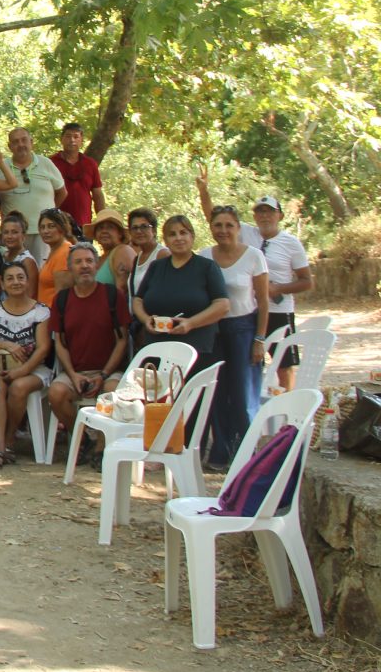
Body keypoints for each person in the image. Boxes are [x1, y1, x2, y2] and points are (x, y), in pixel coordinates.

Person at [196, 173, 312, 390]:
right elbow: (212, 217)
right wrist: (204, 191)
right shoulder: (245, 233)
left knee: (283, 363)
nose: (265, 216)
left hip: (279, 310)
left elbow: (306, 281)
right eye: (260, 212)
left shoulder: (291, 244)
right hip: (248, 312)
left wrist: (277, 288)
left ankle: (288, 412)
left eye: (270, 212)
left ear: (280, 215)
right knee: (248, 364)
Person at [201, 205, 270, 470]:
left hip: (244, 329)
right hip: (214, 331)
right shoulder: (205, 256)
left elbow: (263, 301)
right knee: (217, 393)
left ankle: (247, 456)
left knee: (243, 396)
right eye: (218, 225)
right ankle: (220, 451)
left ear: (238, 228)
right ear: (211, 228)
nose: (223, 230)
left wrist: (260, 339)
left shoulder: (254, 256)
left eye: (229, 225)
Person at [47, 243, 131, 445]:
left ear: (96, 266)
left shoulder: (112, 296)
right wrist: (73, 375)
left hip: (109, 371)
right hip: (75, 372)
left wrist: (103, 375)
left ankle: (102, 447)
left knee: (112, 393)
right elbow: (60, 343)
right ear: (71, 268)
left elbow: (122, 340)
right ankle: (81, 438)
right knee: (56, 394)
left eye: (89, 261)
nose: (84, 266)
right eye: (78, 262)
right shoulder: (62, 299)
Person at [133, 214, 229, 369]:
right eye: (172, 234)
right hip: (156, 349)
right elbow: (137, 300)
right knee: (158, 392)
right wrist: (146, 320)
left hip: (196, 351)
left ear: (192, 236)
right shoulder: (156, 267)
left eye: (183, 232)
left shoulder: (207, 267)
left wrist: (191, 323)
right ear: (165, 240)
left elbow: (223, 305)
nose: (178, 238)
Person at [0, 263, 52, 470]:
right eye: (10, 278)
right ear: (3, 284)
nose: (16, 282)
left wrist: (22, 370)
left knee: (18, 387)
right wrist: (6, 344)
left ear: (28, 281)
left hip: (34, 369)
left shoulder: (41, 311)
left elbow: (43, 348)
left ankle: (10, 437)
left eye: (20, 277)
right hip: (0, 367)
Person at [0, 127, 67, 259]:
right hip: (13, 233)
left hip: (43, 233)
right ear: (9, 146)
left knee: (42, 271)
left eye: (24, 140)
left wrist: (48, 214)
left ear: (31, 142)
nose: (20, 145)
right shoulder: (1, 168)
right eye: (15, 142)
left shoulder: (45, 163)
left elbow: (62, 192)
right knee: (14, 271)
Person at [125, 208, 169, 348]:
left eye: (144, 226)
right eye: (135, 228)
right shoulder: (137, 258)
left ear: (154, 230)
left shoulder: (162, 254)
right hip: (139, 323)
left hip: (157, 322)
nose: (139, 231)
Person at [51, 122, 105, 230]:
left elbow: (97, 194)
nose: (72, 140)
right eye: (68, 136)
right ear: (61, 139)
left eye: (76, 137)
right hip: (57, 224)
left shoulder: (90, 164)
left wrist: (102, 219)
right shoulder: (51, 162)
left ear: (81, 140)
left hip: (83, 224)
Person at [34, 208, 75, 306]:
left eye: (51, 226)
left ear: (62, 228)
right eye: (42, 227)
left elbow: (62, 297)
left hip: (54, 315)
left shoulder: (65, 252)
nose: (45, 231)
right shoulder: (54, 251)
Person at [86, 209, 135, 288]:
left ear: (120, 234)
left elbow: (123, 290)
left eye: (110, 227)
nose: (104, 231)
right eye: (100, 228)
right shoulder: (99, 258)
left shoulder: (123, 251)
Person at [0, 213, 41, 296]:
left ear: (23, 236)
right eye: (6, 232)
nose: (10, 236)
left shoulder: (27, 261)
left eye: (14, 232)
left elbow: (30, 295)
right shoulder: (3, 257)